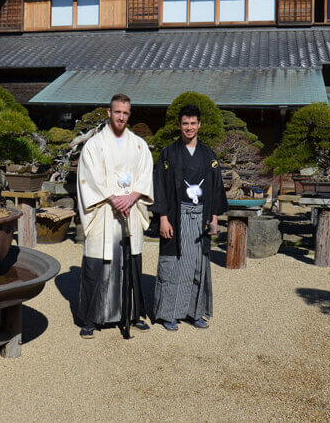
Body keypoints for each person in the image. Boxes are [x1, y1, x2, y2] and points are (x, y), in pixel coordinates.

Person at [76, 93, 154, 338]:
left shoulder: (139, 145)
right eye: (117, 112)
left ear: (129, 115)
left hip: (131, 209)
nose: (121, 116)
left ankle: (133, 314)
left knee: (131, 261)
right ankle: (91, 319)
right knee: (98, 264)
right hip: (103, 212)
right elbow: (89, 178)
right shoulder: (93, 145)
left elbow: (145, 175)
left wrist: (131, 198)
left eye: (125, 113)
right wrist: (113, 198)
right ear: (109, 113)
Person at [151, 104, 228, 331]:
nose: (189, 128)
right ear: (179, 125)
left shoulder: (208, 155)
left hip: (201, 216)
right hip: (176, 215)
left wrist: (214, 218)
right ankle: (169, 314)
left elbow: (215, 188)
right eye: (185, 123)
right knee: (174, 265)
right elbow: (160, 187)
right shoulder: (169, 153)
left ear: (199, 125)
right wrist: (163, 217)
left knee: (198, 265)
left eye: (193, 123)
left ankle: (196, 312)